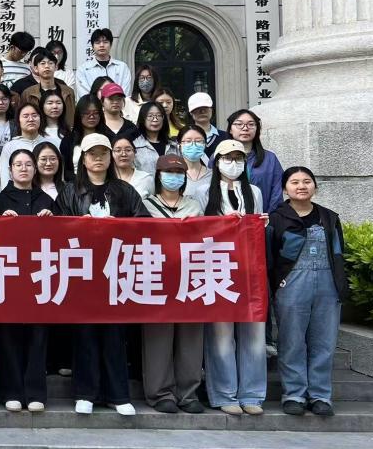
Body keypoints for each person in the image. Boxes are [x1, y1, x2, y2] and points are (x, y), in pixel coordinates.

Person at [55, 133, 148, 416]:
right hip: (81, 270)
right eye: (92, 154)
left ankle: (118, 395)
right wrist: (77, 225)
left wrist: (118, 225)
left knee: (114, 333)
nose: (98, 159)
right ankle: (86, 393)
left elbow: (144, 223)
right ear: (83, 159)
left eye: (103, 153)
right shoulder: (70, 191)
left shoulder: (125, 190)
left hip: (116, 270)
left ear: (111, 158)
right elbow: (55, 229)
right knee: (84, 332)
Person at [269, 167, 348, 417]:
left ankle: (320, 395)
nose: (301, 186)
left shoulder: (330, 217)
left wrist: (339, 285)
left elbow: (338, 253)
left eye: (307, 181)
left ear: (315, 186)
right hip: (291, 283)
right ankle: (294, 394)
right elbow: (269, 257)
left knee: (324, 342)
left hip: (327, 284)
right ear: (285, 189)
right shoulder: (276, 219)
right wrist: (277, 285)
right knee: (292, 341)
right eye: (294, 182)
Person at [204, 138, 267, 416]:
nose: (233, 163)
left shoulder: (254, 192)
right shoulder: (204, 192)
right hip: (217, 268)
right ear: (217, 162)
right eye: (227, 158)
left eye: (238, 158)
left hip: (250, 270)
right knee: (221, 335)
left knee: (254, 333)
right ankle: (224, 393)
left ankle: (252, 394)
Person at [141, 154, 206, 414]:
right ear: (158, 175)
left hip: (190, 275)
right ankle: (160, 393)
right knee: (158, 336)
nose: (174, 177)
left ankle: (188, 393)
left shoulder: (194, 205)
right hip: (156, 276)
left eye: (179, 173)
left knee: (191, 336)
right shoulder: (146, 205)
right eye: (169, 172)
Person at [0, 148, 56, 412]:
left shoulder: (47, 200)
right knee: (9, 334)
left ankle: (35, 392)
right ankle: (11, 390)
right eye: (18, 164)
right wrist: (1, 223)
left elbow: (59, 240)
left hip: (40, 275)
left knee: (38, 334)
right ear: (9, 170)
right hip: (8, 275)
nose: (23, 168)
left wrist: (52, 222)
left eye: (28, 164)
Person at [227, 109, 284, 213]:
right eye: (239, 124)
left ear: (257, 129)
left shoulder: (270, 158)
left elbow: (277, 192)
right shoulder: (219, 157)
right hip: (228, 218)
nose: (245, 128)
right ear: (230, 129)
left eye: (251, 124)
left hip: (263, 218)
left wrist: (269, 217)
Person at [0, 103, 57, 182]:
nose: (31, 119)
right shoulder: (10, 147)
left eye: (34, 116)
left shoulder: (51, 143)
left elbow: (59, 173)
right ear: (18, 120)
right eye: (26, 116)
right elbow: (5, 178)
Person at [21, 50, 76, 128]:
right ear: (36, 68)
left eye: (50, 63)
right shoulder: (28, 93)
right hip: (37, 133)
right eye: (43, 63)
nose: (47, 66)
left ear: (56, 67)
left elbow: (72, 117)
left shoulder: (68, 92)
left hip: (64, 132)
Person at [60, 95, 108, 181]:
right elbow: (66, 172)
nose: (91, 116)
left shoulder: (108, 137)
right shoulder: (68, 140)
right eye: (86, 113)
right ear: (79, 114)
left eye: (96, 113)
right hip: (76, 184)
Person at [75, 28, 133, 97]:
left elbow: (125, 93)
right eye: (97, 42)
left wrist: (113, 101)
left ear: (111, 44)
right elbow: (85, 95)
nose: (102, 45)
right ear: (92, 46)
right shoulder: (83, 69)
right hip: (93, 104)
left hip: (117, 103)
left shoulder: (122, 67)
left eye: (105, 42)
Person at [186, 92, 231, 157]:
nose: (202, 112)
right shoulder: (184, 137)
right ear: (191, 113)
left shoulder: (225, 137)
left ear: (212, 110)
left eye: (205, 108)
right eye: (197, 109)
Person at [179, 125, 212, 209]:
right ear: (179, 145)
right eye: (188, 141)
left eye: (198, 141)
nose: (193, 145)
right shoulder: (174, 175)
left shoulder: (214, 175)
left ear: (205, 145)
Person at [112, 135, 155, 199]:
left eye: (128, 150)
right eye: (118, 150)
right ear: (111, 154)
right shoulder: (105, 178)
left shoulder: (146, 178)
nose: (124, 154)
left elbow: (151, 203)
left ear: (134, 153)